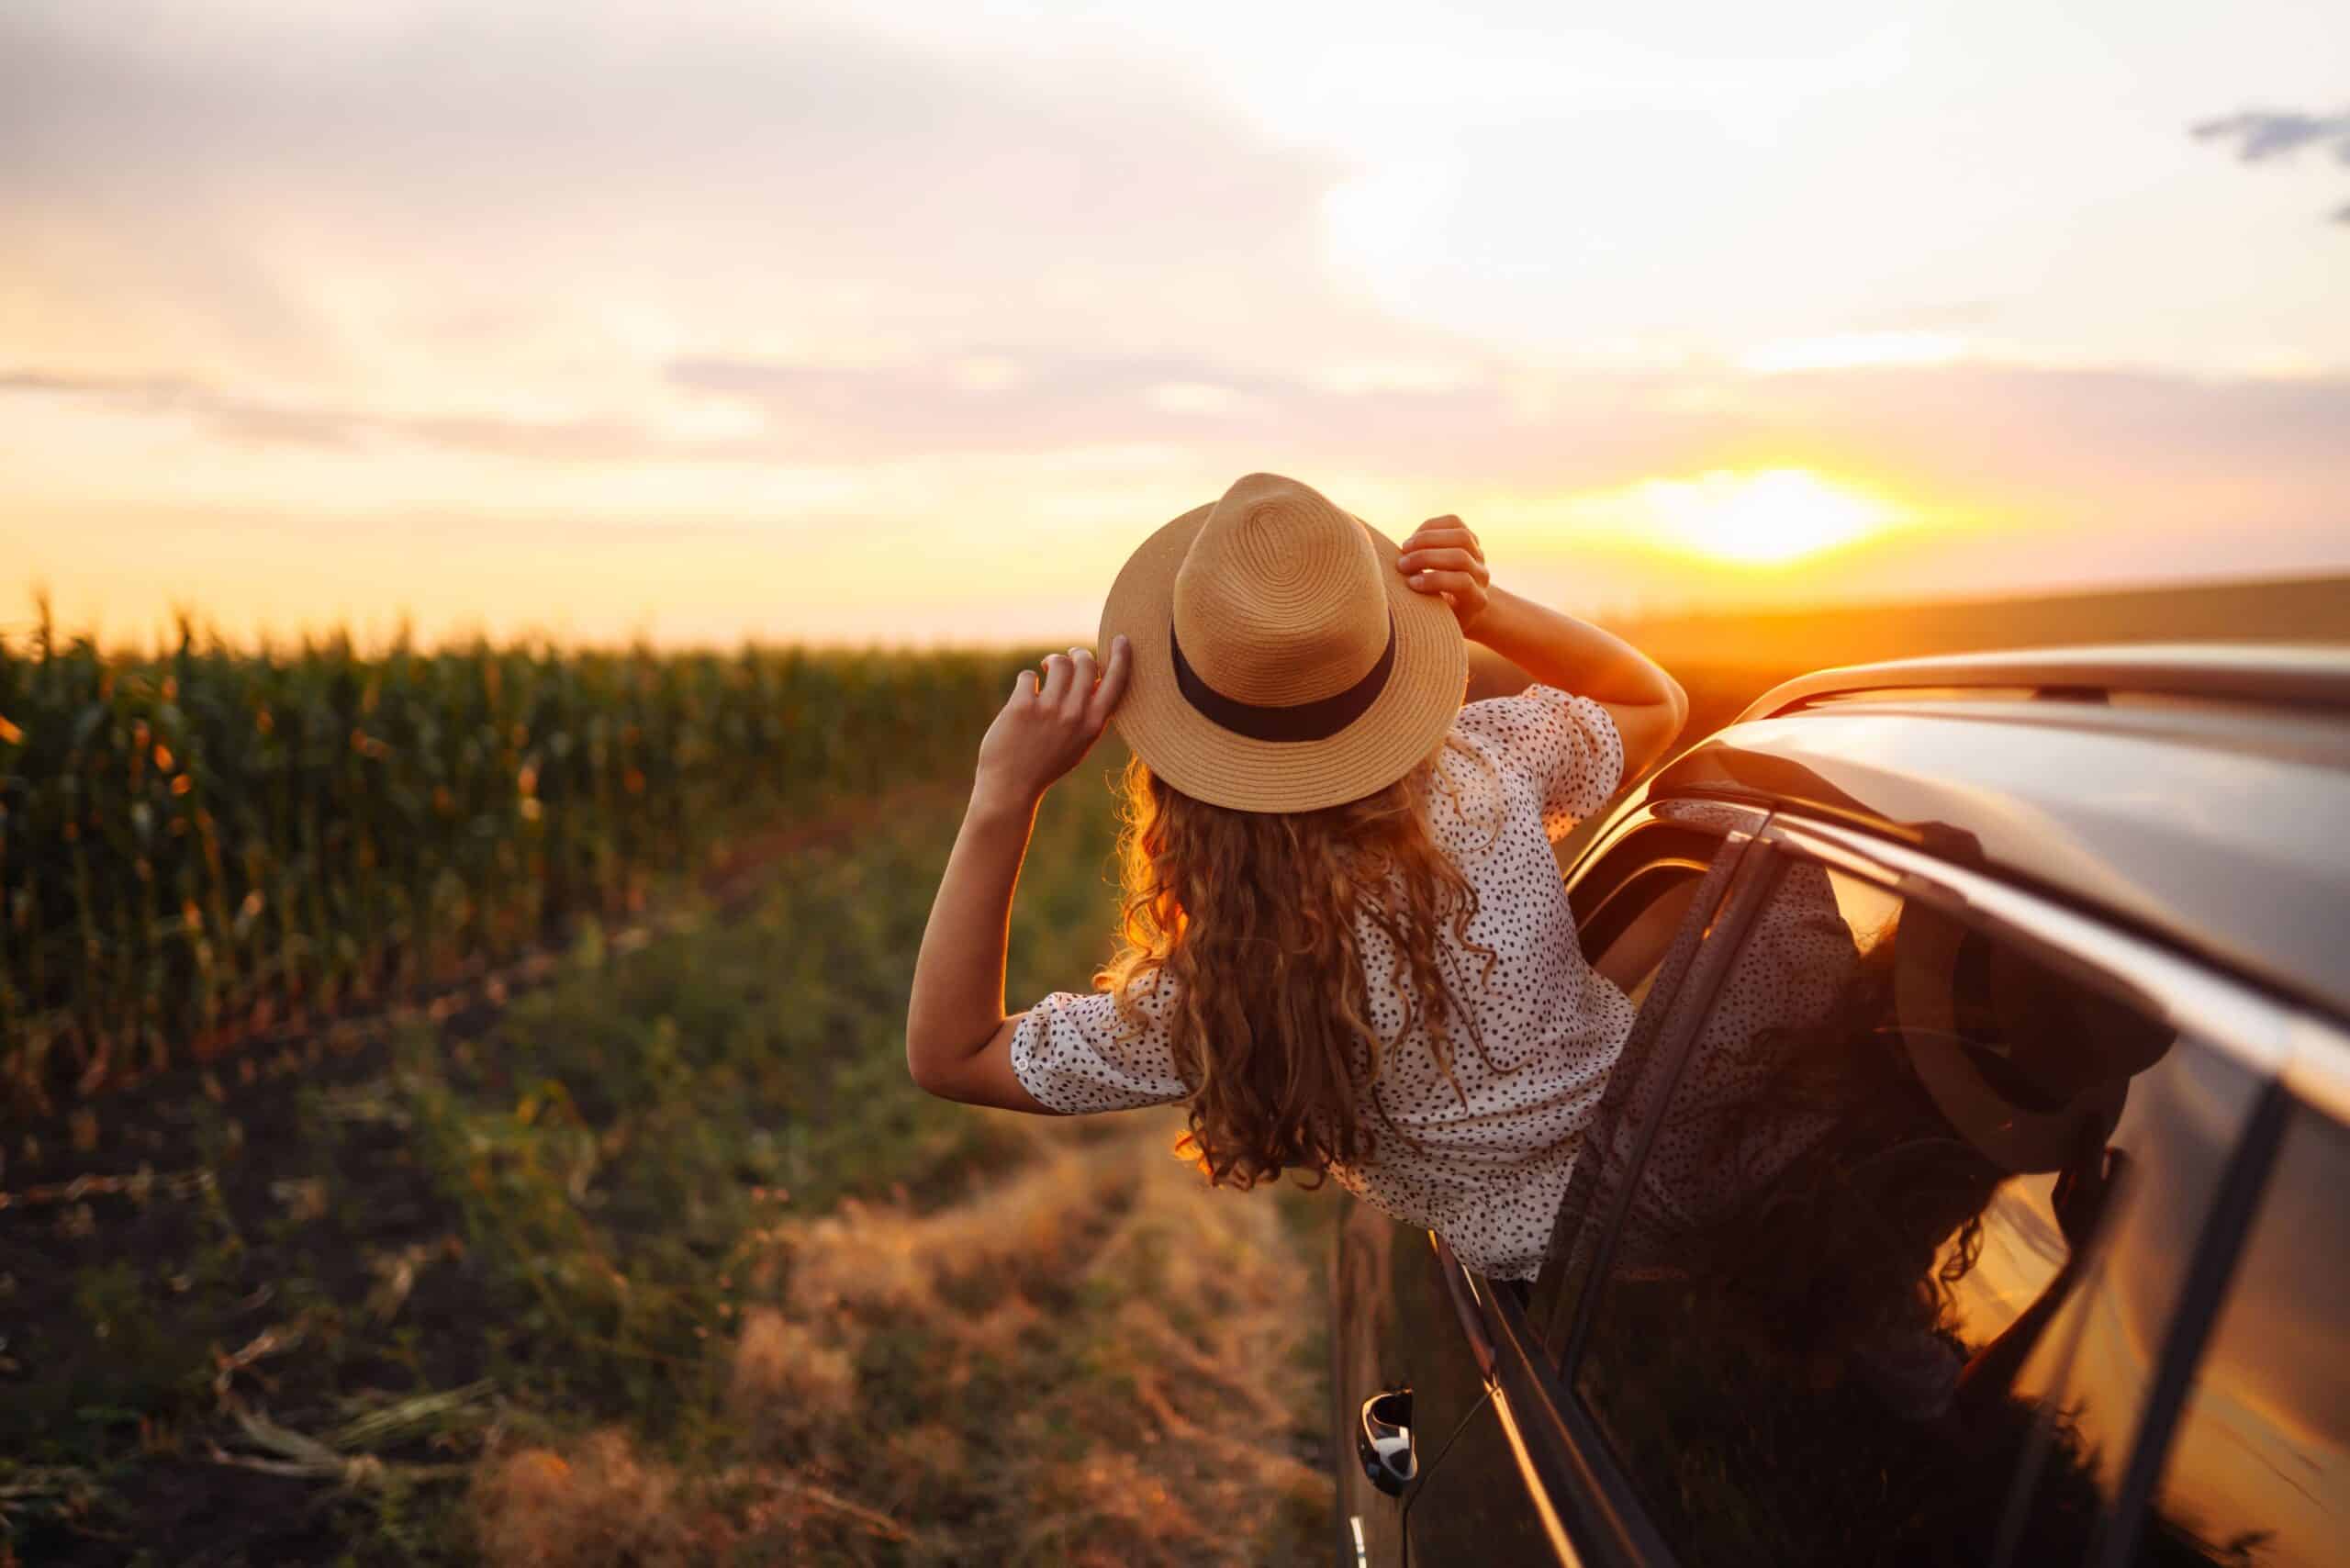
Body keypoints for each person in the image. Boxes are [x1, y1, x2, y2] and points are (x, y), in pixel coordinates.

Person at [904, 472, 1687, 1280]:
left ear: (1183, 743)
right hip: (1707, 1167)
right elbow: (1656, 702)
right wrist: (1483, 609)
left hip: (1587, 1294)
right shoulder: (1487, 771)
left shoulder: (1225, 988)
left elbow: (953, 1057)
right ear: (1381, 651)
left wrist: (1003, 796)